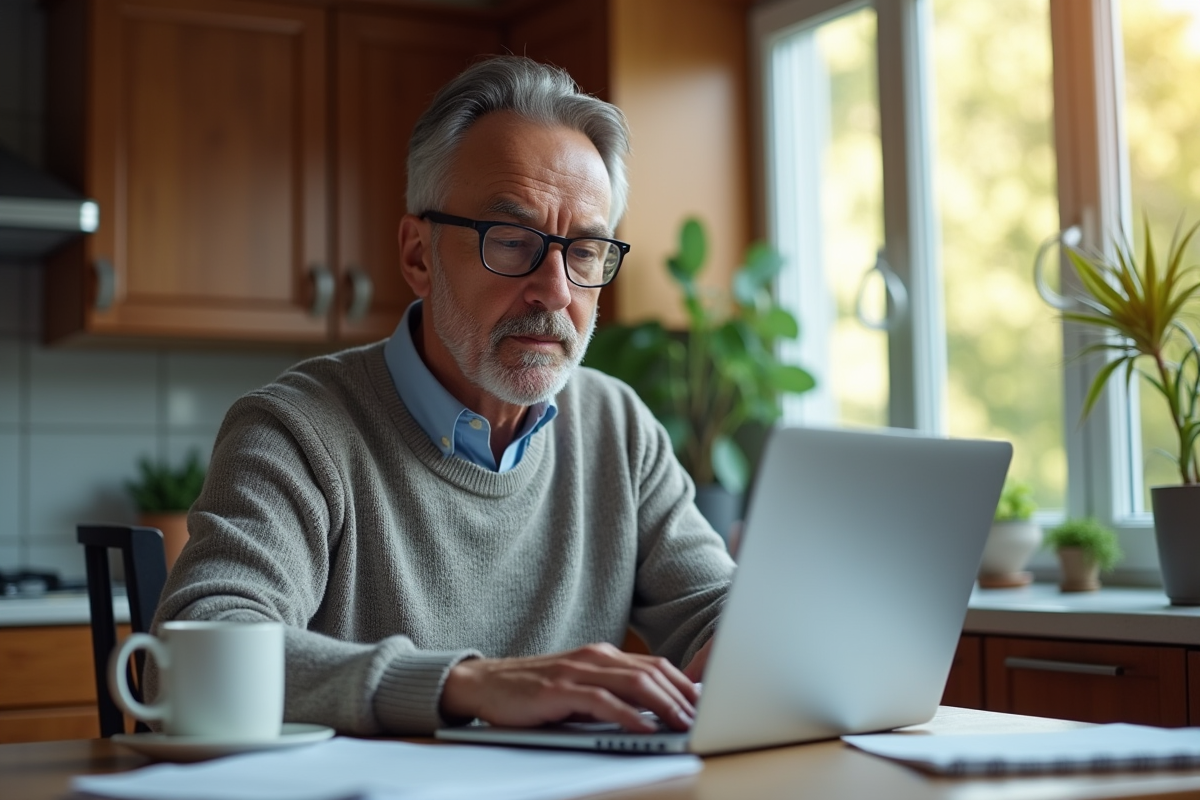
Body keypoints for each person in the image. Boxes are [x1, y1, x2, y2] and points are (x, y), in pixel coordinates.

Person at [149, 55, 736, 737]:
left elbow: (717, 610)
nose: (556, 291)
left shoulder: (618, 427)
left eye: (584, 252)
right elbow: (196, 648)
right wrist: (467, 686)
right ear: (418, 256)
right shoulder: (295, 430)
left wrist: (756, 643)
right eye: (512, 241)